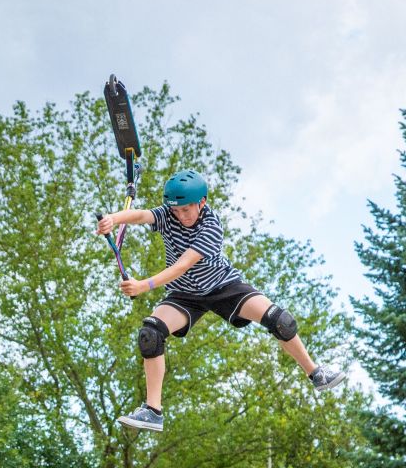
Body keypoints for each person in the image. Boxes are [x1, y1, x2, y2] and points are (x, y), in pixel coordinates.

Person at [97, 170, 346, 432]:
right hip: (184, 294)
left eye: (187, 210)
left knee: (279, 320)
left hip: (223, 286)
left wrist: (144, 285)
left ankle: (315, 373)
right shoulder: (167, 215)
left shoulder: (211, 226)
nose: (181, 217)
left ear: (201, 202)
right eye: (177, 211)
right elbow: (140, 215)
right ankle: (153, 411)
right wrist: (113, 219)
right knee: (151, 333)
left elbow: (182, 265)